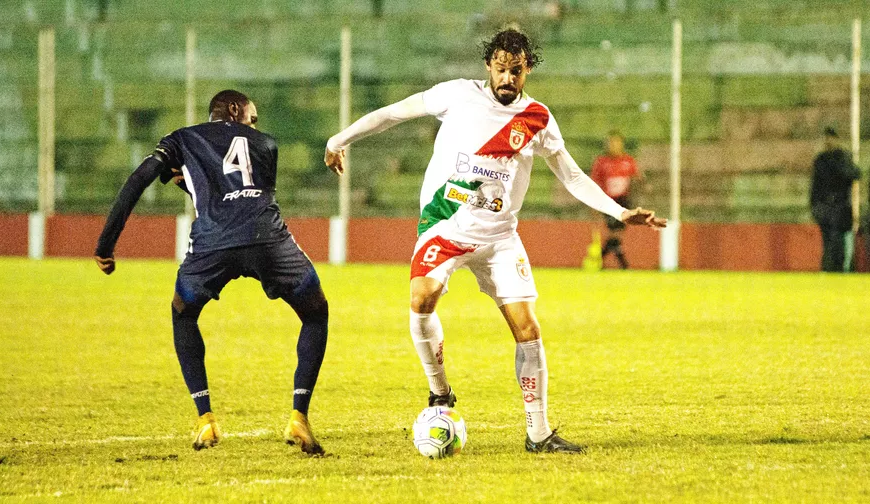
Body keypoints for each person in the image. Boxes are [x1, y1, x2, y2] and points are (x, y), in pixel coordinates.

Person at [324, 29, 666, 454]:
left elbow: (572, 175)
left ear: (528, 70)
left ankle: (538, 434)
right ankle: (440, 393)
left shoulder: (538, 118)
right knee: (421, 299)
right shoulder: (457, 95)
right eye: (501, 69)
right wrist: (340, 139)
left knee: (527, 327)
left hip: (500, 236)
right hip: (445, 227)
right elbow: (394, 113)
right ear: (489, 66)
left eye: (516, 71)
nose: (508, 79)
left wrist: (619, 212)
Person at [95, 90, 329, 455]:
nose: (255, 125)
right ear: (235, 109)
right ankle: (299, 414)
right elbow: (244, 192)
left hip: (212, 247)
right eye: (252, 117)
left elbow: (140, 180)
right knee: (315, 313)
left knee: (183, 312)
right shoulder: (267, 143)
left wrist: (106, 244)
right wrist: (192, 180)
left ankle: (206, 420)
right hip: (268, 241)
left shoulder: (181, 138)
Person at [590, 130, 642, 269]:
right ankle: (623, 264)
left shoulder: (628, 161)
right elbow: (595, 182)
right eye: (610, 143)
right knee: (615, 231)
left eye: (616, 142)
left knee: (617, 233)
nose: (613, 146)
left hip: (624, 200)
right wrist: (594, 204)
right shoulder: (602, 162)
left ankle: (598, 260)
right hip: (608, 201)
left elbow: (637, 178)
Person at [810, 127, 860, 272]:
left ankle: (841, 269)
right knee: (828, 241)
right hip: (825, 206)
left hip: (841, 206)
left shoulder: (843, 157)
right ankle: (829, 269)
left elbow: (855, 174)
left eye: (830, 138)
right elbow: (815, 185)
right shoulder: (821, 160)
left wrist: (839, 162)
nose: (828, 141)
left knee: (838, 240)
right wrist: (814, 205)